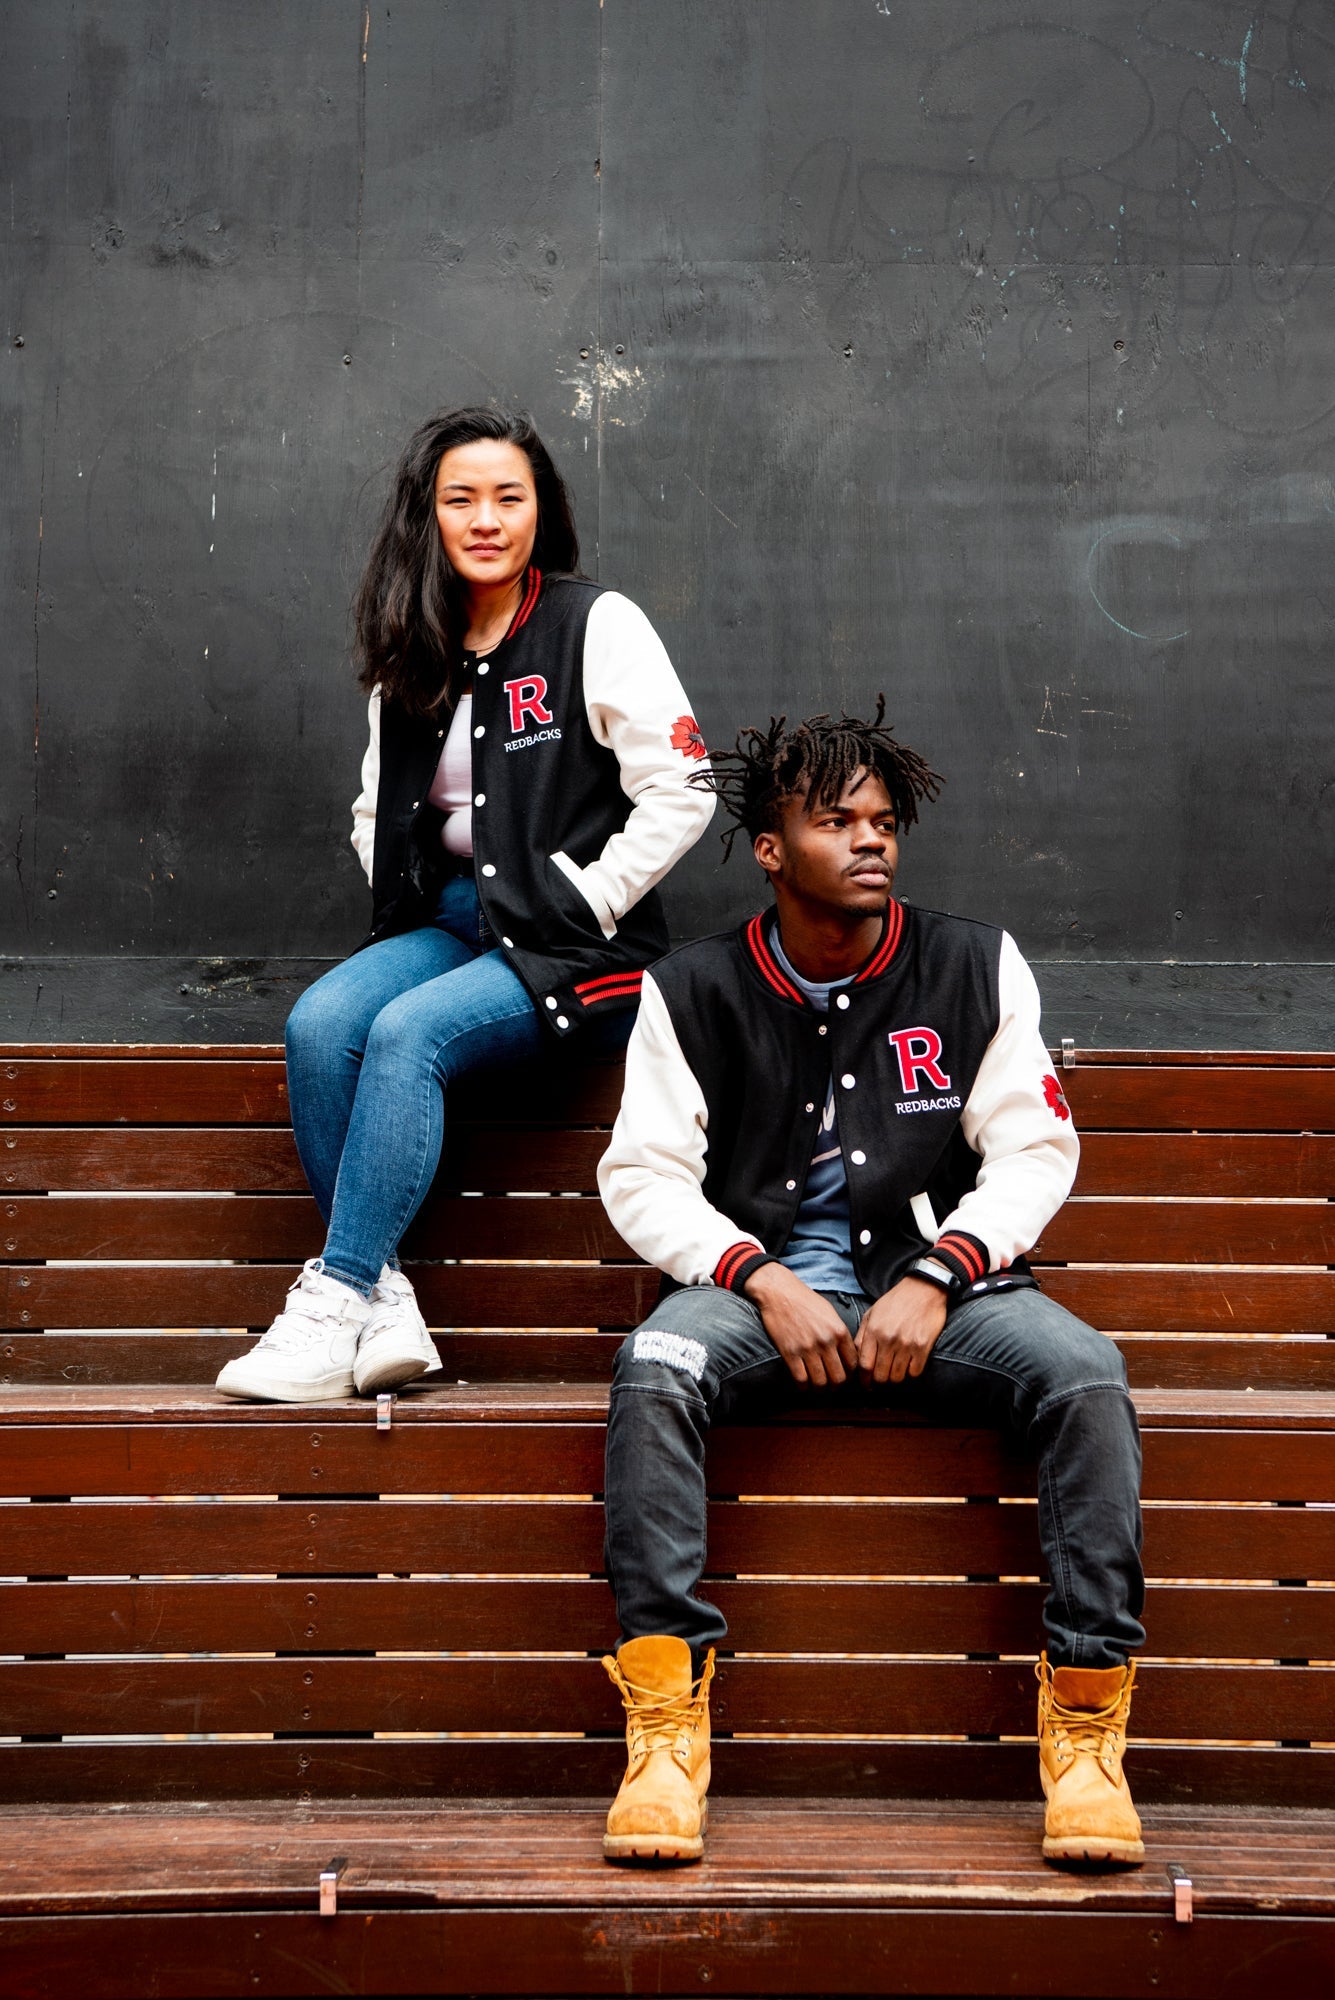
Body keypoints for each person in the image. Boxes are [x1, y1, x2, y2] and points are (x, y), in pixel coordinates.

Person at [595, 705, 1146, 1870]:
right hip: (754, 1299)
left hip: (946, 1296)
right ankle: (663, 1730)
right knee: (657, 1363)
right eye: (836, 819)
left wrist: (945, 1271)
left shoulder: (972, 962)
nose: (870, 840)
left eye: (884, 820)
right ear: (769, 846)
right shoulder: (690, 987)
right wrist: (756, 1274)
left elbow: (1036, 1152)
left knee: (1087, 1373)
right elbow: (641, 1176)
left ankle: (1088, 1730)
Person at [217, 407, 714, 1403]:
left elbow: (685, 786)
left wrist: (589, 891)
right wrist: (403, 887)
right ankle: (386, 1301)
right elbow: (373, 806)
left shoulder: (593, 623)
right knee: (321, 1024)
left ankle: (335, 1296)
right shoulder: (415, 647)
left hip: (580, 945)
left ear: (541, 511)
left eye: (508, 497)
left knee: (406, 1035)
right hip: (450, 920)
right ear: (428, 515)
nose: (485, 517)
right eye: (461, 499)